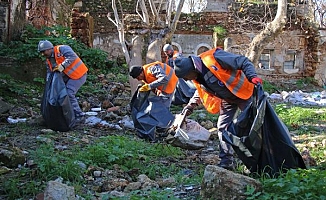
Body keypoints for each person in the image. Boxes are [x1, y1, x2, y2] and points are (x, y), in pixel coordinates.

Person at [173, 47, 263, 170]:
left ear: (191, 69)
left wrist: (252, 76)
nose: (186, 80)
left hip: (244, 93)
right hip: (227, 99)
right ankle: (226, 161)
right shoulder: (197, 76)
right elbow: (199, 91)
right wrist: (191, 106)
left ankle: (265, 155)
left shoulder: (213, 58)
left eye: (185, 76)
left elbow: (243, 61)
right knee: (222, 127)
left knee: (256, 124)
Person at [38, 40, 88, 124]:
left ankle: (79, 115)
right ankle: (67, 115)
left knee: (69, 93)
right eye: (41, 52)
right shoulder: (49, 60)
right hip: (68, 77)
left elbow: (72, 57)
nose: (43, 54)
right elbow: (50, 73)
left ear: (49, 49)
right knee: (59, 95)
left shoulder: (62, 49)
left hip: (79, 74)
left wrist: (62, 66)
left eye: (44, 52)